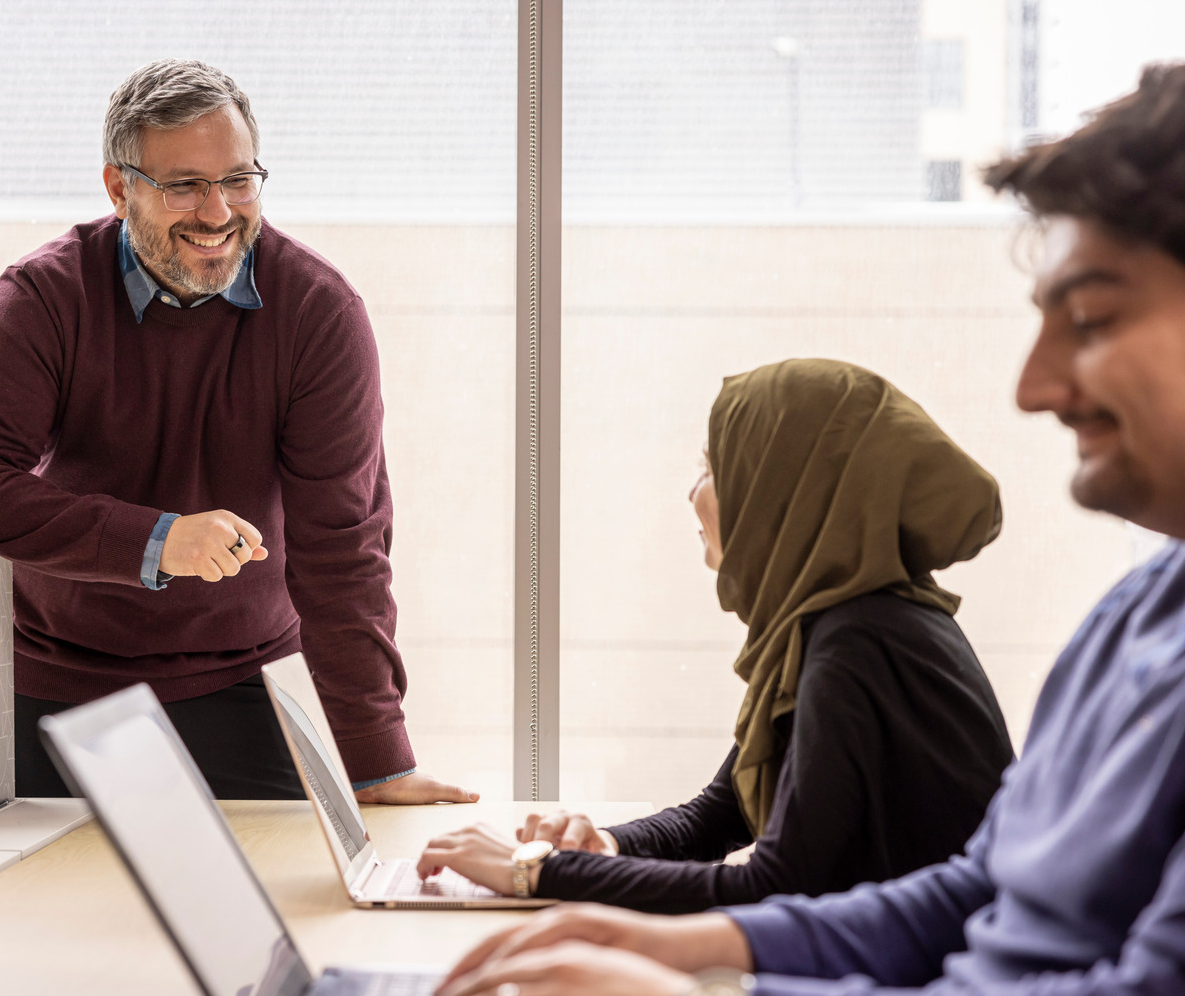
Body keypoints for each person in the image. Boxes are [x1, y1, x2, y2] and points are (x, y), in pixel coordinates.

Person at [433, 62, 1185, 996]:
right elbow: (967, 894)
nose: (1033, 386)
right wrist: (695, 949)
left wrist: (561, 890)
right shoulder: (1132, 612)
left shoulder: (866, 640)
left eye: (1092, 316)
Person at [0, 58, 472, 805]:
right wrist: (157, 540)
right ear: (119, 188)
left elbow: (342, 555)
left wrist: (376, 761)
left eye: (239, 180)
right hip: (55, 684)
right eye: (184, 186)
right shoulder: (46, 295)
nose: (218, 212)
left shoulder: (319, 313)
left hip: (243, 681)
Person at [415, 358, 1013, 912]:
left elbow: (771, 889)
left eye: (711, 467)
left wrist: (535, 875)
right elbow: (717, 816)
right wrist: (598, 846)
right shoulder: (839, 620)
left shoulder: (859, 642)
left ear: (781, 491)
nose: (692, 491)